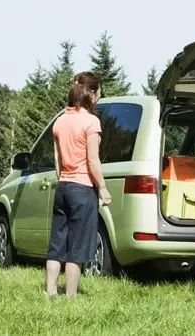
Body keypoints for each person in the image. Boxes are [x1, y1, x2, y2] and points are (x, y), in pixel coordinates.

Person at [45, 72, 112, 298]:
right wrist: (102, 188)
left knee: (57, 244)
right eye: (99, 91)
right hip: (83, 190)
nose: (100, 95)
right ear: (91, 93)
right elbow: (93, 160)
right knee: (77, 246)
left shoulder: (60, 120)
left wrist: (63, 178)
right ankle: (70, 296)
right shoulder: (91, 122)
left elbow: (57, 160)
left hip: (63, 187)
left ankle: (51, 291)